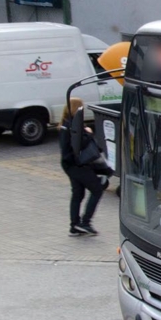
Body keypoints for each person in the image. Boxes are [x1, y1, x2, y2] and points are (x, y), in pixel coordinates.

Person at [58, 97, 107, 236]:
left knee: (78, 193)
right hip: (78, 165)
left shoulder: (65, 124)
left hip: (69, 164)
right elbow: (80, 145)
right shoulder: (74, 126)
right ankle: (85, 222)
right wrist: (89, 134)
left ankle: (74, 226)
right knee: (97, 190)